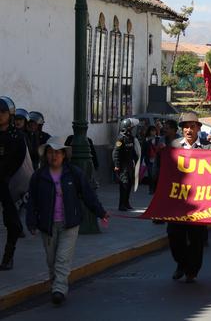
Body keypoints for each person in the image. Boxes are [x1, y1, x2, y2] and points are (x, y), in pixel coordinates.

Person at [26, 136, 109, 305]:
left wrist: (100, 212)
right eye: (50, 152)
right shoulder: (39, 176)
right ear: (45, 155)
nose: (54, 156)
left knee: (62, 258)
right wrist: (31, 223)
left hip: (69, 224)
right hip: (47, 225)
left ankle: (59, 290)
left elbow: (88, 194)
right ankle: (56, 284)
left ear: (64, 155)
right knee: (51, 260)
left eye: (57, 152)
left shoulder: (74, 173)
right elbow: (32, 201)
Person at [167, 113, 211, 283]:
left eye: (192, 126)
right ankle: (181, 263)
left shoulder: (209, 148)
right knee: (174, 236)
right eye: (185, 126)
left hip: (199, 203)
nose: (188, 130)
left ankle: (192, 271)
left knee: (196, 240)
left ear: (198, 128)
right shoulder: (173, 146)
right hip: (178, 200)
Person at [0, 96, 28, 270]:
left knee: (12, 222)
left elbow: (20, 159)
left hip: (8, 183)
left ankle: (8, 257)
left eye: (2, 112)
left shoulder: (16, 135)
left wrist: (8, 176)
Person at [112, 118, 139, 211]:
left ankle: (126, 203)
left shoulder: (131, 138)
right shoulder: (120, 138)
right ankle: (121, 205)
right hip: (122, 165)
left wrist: (137, 159)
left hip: (129, 164)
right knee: (124, 184)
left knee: (129, 184)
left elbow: (132, 151)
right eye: (131, 128)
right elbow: (116, 152)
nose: (132, 129)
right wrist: (116, 165)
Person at [142, 125, 162, 195]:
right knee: (150, 175)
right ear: (149, 132)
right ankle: (151, 189)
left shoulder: (158, 139)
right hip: (149, 160)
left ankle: (156, 189)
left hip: (156, 160)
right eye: (151, 131)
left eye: (154, 131)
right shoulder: (146, 139)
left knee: (156, 175)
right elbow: (143, 150)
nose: (153, 132)